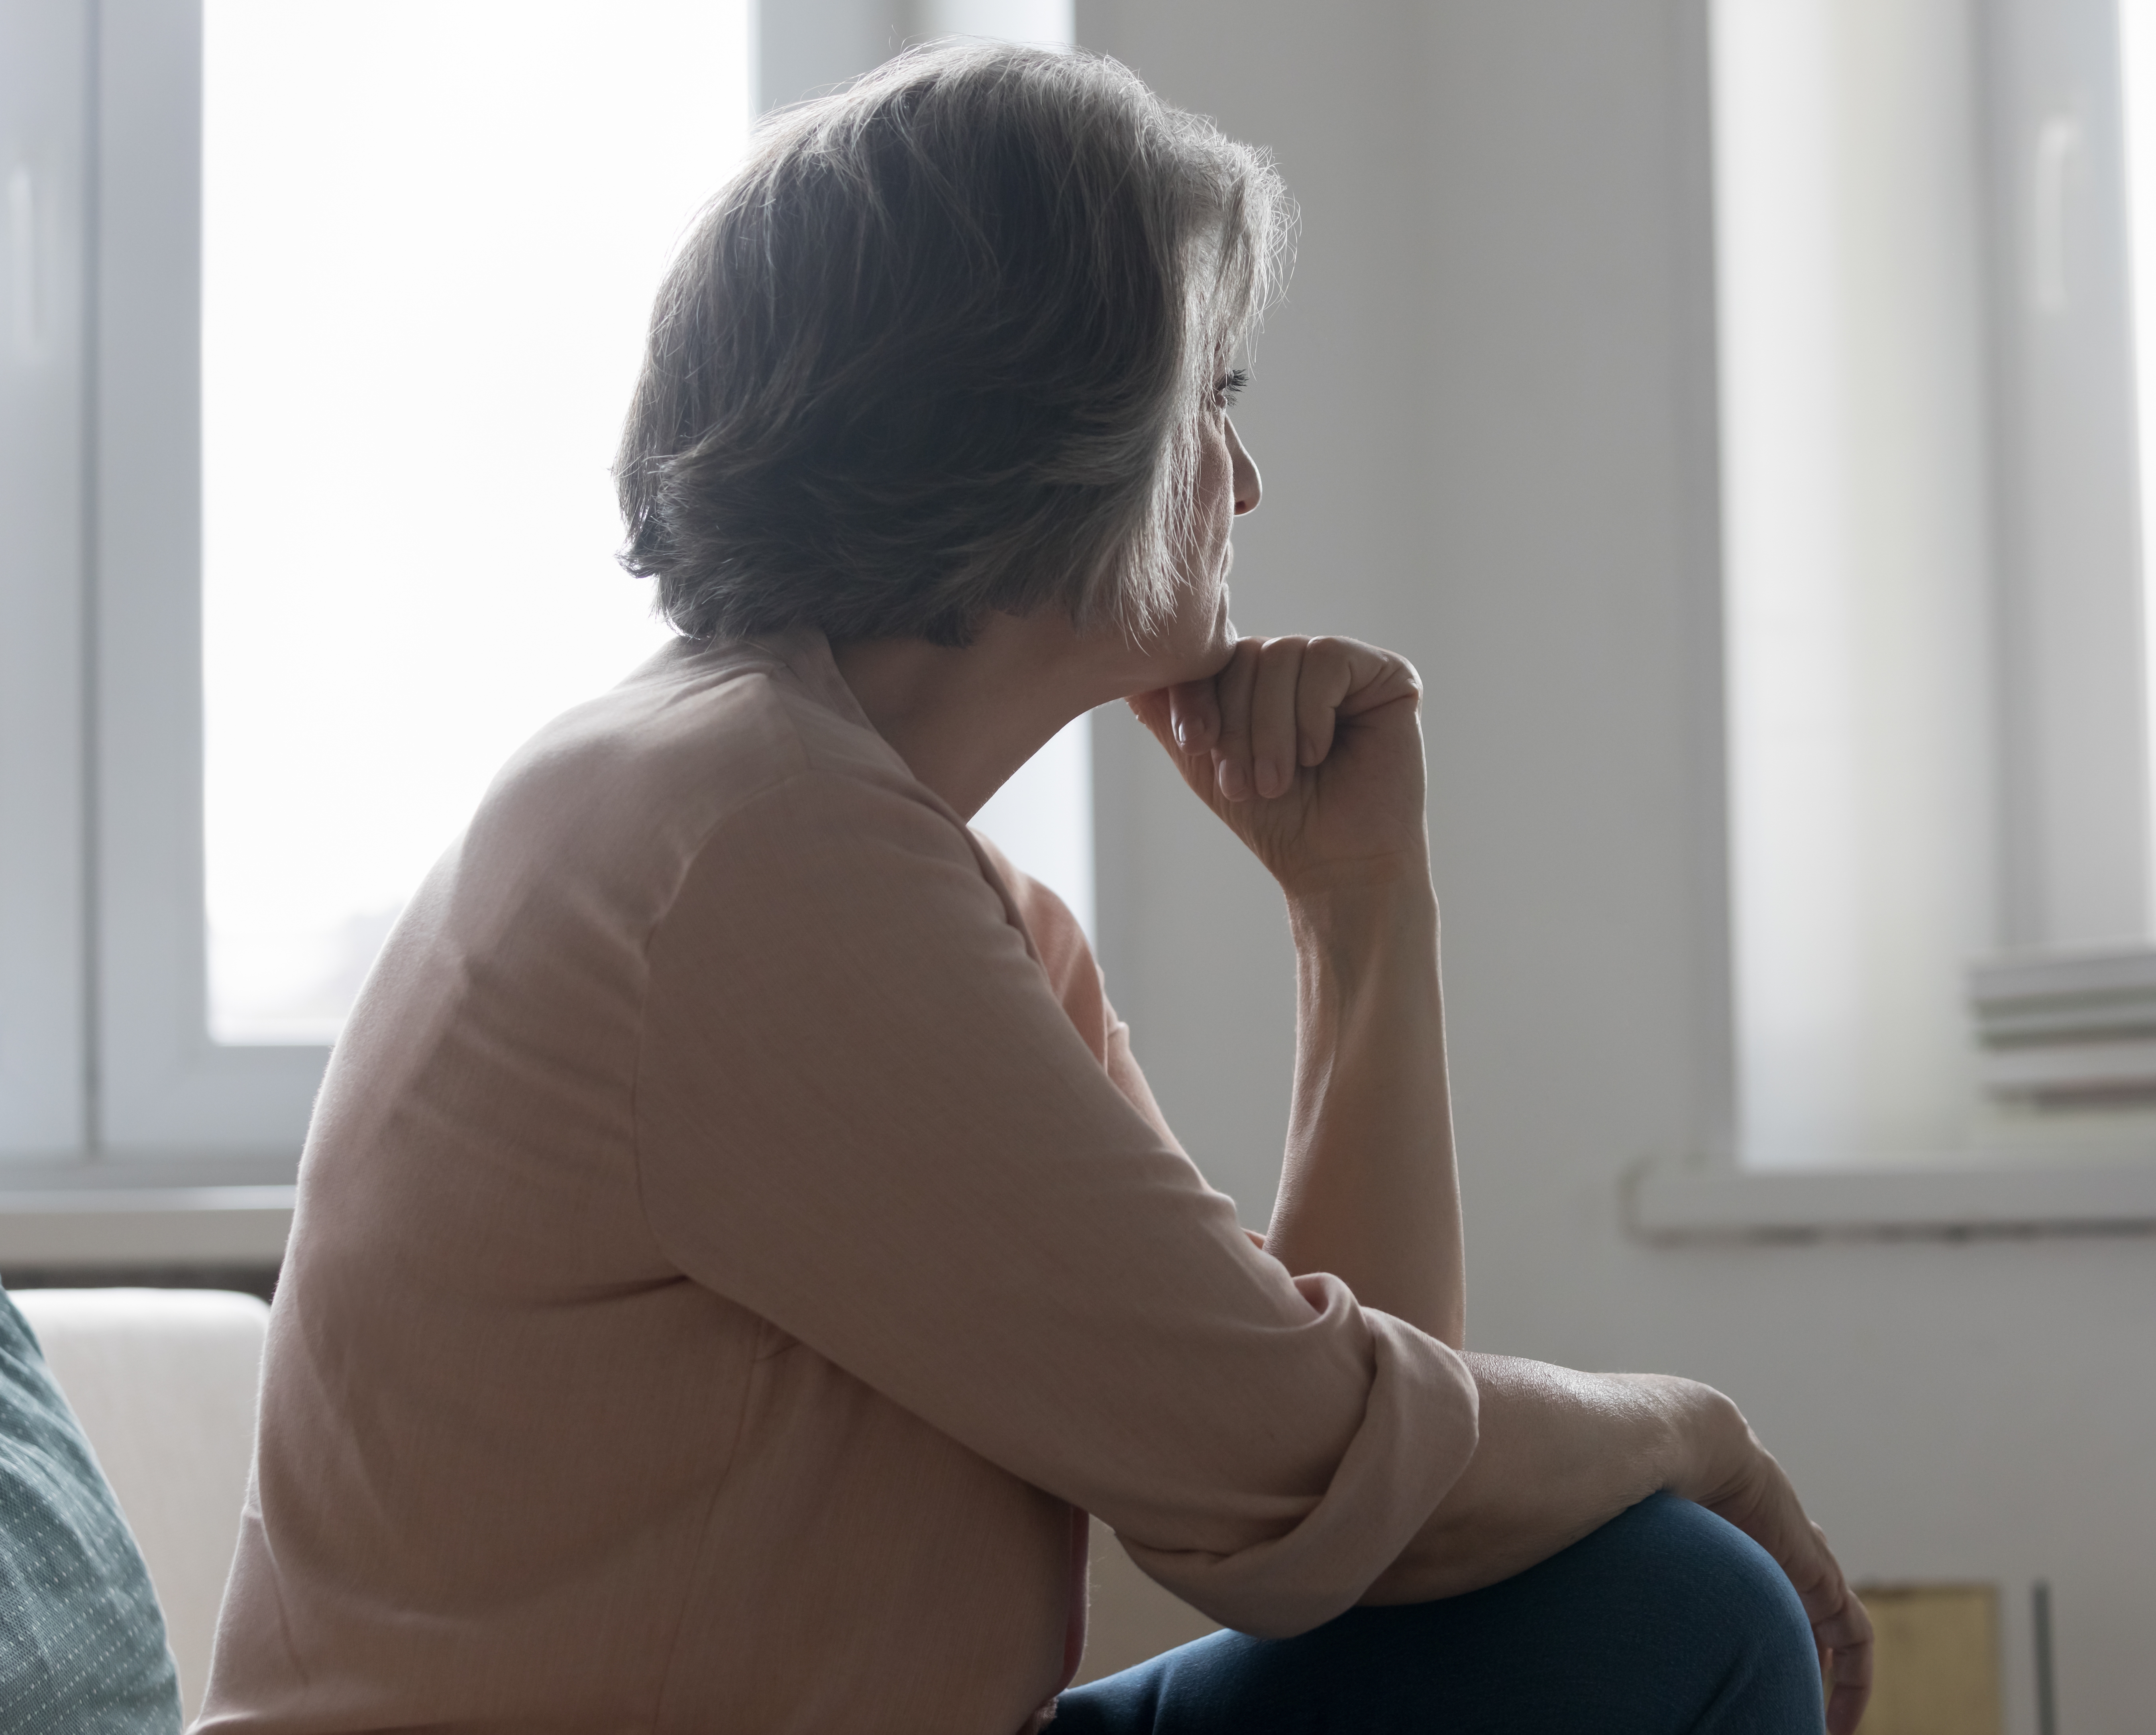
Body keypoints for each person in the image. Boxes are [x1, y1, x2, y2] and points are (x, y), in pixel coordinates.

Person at [199, 41, 1872, 1735]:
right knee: (1683, 1601)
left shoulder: (883, 862)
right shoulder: (748, 847)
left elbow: (1341, 1511)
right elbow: (1313, 1468)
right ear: (1047, 420)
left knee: (1646, 1612)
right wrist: (1692, 1426)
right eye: (1214, 398)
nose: (1247, 478)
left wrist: (1355, 915)